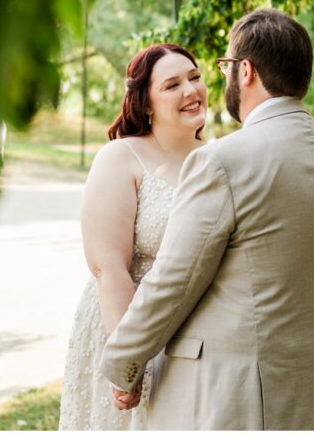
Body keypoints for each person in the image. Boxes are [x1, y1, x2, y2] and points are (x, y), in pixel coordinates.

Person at [100, 8, 314, 430]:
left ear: (245, 71)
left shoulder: (223, 161)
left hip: (245, 402)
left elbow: (173, 281)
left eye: (225, 66)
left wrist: (123, 364)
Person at [58, 43, 208, 430]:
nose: (191, 91)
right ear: (145, 104)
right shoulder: (123, 157)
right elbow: (107, 266)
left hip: (192, 335)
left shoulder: (217, 160)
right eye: (172, 85)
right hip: (122, 321)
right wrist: (129, 361)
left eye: (194, 78)